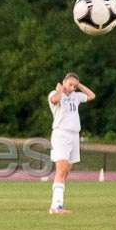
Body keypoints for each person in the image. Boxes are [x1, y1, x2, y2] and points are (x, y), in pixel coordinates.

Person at [47, 72, 95, 215]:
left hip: (74, 136)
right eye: (70, 84)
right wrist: (61, 90)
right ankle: (56, 207)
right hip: (61, 134)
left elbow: (92, 96)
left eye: (74, 86)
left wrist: (79, 85)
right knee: (61, 170)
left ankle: (58, 203)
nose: (72, 87)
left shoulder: (76, 96)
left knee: (66, 171)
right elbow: (54, 100)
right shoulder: (55, 93)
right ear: (64, 82)